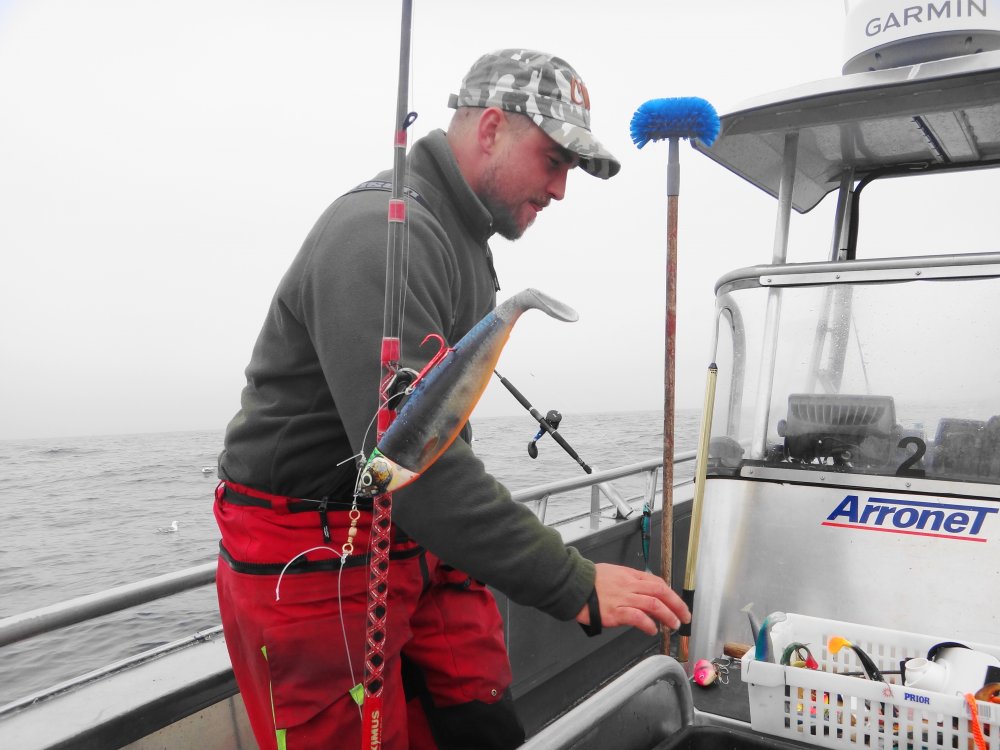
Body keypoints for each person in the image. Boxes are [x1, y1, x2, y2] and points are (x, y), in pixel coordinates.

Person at [214, 48, 690, 750]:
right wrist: (575, 582)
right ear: (491, 127)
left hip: (412, 534)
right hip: (313, 551)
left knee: (479, 719)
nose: (561, 189)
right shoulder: (379, 235)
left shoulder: (463, 240)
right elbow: (409, 466)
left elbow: (437, 444)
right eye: (554, 160)